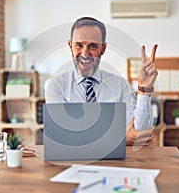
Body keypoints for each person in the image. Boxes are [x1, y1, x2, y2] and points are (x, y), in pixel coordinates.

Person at [45, 17, 158, 146]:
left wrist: (144, 90)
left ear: (103, 49)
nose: (85, 53)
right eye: (79, 45)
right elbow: (64, 138)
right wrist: (121, 140)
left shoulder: (121, 86)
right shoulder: (56, 86)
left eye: (93, 46)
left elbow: (139, 135)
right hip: (72, 162)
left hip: (117, 163)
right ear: (70, 46)